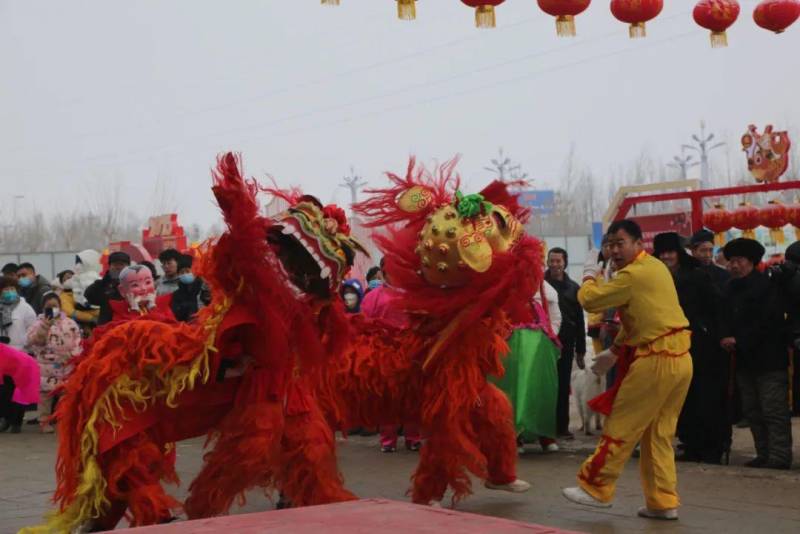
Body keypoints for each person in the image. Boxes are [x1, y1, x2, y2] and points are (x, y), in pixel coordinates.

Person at [562, 220, 692, 521]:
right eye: (610, 244)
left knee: (622, 423)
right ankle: (662, 501)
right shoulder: (655, 267)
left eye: (620, 243)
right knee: (658, 434)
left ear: (638, 244)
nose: (614, 250)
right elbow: (643, 314)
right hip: (679, 357)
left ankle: (596, 487)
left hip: (657, 359)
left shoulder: (634, 274)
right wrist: (617, 350)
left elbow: (590, 299)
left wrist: (588, 272)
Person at [654, 232, 731, 464]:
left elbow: (717, 306)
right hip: (671, 346)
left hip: (702, 345)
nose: (667, 256)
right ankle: (691, 444)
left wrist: (712, 332)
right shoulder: (655, 277)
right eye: (662, 252)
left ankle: (712, 447)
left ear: (679, 253)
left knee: (706, 396)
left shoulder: (697, 274)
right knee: (683, 397)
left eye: (671, 251)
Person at [720, 238, 792, 470]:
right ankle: (763, 453)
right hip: (743, 361)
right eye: (731, 261)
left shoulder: (768, 287)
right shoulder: (730, 287)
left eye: (739, 261)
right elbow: (725, 319)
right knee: (752, 410)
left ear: (752, 262)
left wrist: (739, 340)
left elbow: (769, 323)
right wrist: (725, 336)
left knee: (773, 410)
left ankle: (779, 457)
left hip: (769, 360)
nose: (734, 265)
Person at [494, 277, 562, 454]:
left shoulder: (542, 297)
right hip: (512, 357)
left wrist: (549, 340)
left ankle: (545, 436)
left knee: (542, 391)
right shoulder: (505, 300)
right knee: (514, 393)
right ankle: (515, 438)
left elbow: (554, 319)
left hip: (538, 357)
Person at [361, 260, 420, 452]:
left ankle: (413, 437)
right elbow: (365, 324)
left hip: (410, 350)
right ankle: (388, 440)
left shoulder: (411, 295)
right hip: (385, 352)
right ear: (384, 272)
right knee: (388, 397)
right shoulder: (373, 297)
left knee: (412, 396)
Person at [545, 247, 586, 439]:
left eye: (558, 261)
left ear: (565, 263)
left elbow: (579, 321)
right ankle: (544, 427)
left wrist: (581, 351)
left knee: (562, 386)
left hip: (567, 344)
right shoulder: (540, 286)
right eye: (551, 261)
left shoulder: (574, 288)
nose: (554, 265)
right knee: (545, 385)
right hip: (544, 345)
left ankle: (561, 427)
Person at [26, 292, 82, 433]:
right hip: (46, 368)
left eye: (55, 306)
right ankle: (44, 422)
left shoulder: (70, 323)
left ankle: (64, 421)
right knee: (45, 397)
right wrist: (45, 325)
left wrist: (74, 355)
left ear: (60, 306)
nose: (53, 309)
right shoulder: (37, 324)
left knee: (65, 396)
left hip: (66, 366)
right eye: (48, 306)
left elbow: (78, 341)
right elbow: (33, 341)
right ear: (43, 307)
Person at [0, 275, 37, 433]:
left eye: (12, 288)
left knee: (19, 388)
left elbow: (33, 327)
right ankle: (5, 418)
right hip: (3, 354)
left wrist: (27, 344)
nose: (9, 292)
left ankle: (16, 421)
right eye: (5, 289)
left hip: (20, 353)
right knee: (4, 390)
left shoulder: (24, 307)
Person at [85, 251, 131, 325]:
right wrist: (104, 282)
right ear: (109, 266)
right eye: (115, 264)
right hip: (106, 325)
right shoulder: (103, 284)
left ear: (128, 267)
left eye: (122, 264)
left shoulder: (134, 283)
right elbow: (89, 297)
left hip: (128, 323)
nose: (118, 267)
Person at [171, 254, 211, 322]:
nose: (185, 274)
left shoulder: (204, 289)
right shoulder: (176, 295)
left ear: (195, 271)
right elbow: (176, 315)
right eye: (181, 272)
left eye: (187, 271)